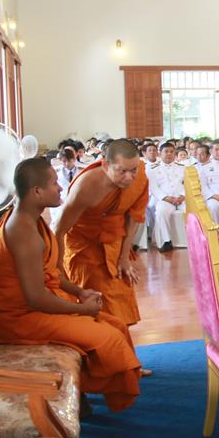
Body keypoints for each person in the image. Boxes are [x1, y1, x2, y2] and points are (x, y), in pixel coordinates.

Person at [0, 158, 141, 412]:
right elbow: (35, 297)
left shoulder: (32, 218)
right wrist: (82, 309)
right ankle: (105, 393)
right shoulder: (22, 231)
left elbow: (49, 274)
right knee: (108, 338)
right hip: (21, 318)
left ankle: (85, 390)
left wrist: (78, 292)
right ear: (36, 192)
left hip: (37, 306)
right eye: (54, 183)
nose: (59, 188)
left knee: (116, 324)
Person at [55, 139, 149, 327]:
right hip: (85, 247)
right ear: (106, 165)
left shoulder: (141, 178)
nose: (130, 177)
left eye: (133, 170)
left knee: (122, 306)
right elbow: (59, 230)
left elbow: (134, 218)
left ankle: (120, 349)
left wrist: (124, 258)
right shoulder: (86, 186)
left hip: (115, 244)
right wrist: (59, 272)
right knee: (98, 309)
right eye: (122, 171)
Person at [146, 142, 185, 252]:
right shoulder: (152, 169)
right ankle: (166, 241)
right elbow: (153, 188)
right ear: (160, 153)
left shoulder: (183, 167)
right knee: (161, 211)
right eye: (166, 151)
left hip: (181, 198)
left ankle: (193, 239)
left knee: (192, 211)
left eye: (171, 152)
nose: (169, 154)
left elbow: (187, 184)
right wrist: (167, 198)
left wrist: (183, 196)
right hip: (165, 199)